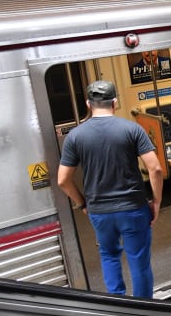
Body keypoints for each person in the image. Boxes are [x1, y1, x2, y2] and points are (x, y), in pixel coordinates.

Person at [57, 80, 164, 298]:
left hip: (100, 211)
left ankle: (118, 306)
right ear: (115, 102)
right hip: (133, 208)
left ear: (88, 104)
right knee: (139, 261)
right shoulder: (132, 129)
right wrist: (156, 202)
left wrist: (83, 203)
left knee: (109, 256)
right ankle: (145, 310)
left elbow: (62, 180)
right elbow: (155, 169)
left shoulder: (75, 136)